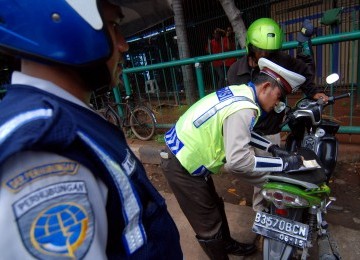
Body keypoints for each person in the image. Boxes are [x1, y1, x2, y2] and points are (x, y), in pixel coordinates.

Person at [0, 1, 183, 259]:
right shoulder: (45, 151)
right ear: (58, 22)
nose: (124, 45)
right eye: (114, 26)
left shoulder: (68, 121)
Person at [161, 57, 306, 260]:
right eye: (279, 96)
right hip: (181, 163)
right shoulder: (245, 108)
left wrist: (272, 148)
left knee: (216, 205)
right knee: (208, 223)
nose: (278, 104)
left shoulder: (242, 93)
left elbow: (240, 132)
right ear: (265, 87)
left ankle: (227, 245)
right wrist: (282, 163)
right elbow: (238, 161)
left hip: (184, 153)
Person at [226, 18, 329, 211]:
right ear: (250, 47)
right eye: (259, 50)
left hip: (270, 129)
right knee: (251, 168)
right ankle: (262, 212)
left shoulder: (283, 62)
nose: (264, 56)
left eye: (270, 52)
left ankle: (266, 210)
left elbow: (304, 72)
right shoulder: (235, 70)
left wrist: (313, 92)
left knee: (269, 174)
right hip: (245, 130)